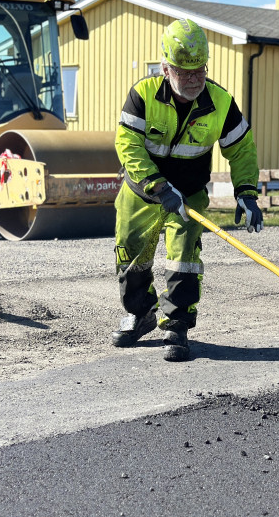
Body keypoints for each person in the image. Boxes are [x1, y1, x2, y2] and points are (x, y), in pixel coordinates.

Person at [111, 18, 262, 362]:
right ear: (165, 67)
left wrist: (247, 192)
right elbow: (128, 144)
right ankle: (141, 313)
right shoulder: (143, 95)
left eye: (200, 71)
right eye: (184, 72)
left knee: (184, 258)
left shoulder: (220, 102)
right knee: (130, 254)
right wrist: (158, 186)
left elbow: (241, 149)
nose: (194, 79)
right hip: (142, 190)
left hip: (190, 194)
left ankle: (176, 326)